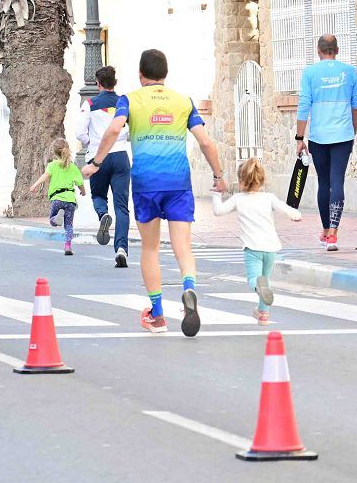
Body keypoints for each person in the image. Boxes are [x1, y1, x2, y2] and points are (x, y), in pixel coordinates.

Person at [83, 48, 227, 337]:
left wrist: (96, 163)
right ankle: (188, 289)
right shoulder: (183, 101)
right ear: (165, 74)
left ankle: (158, 315)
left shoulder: (130, 100)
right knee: (182, 246)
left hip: (147, 182)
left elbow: (113, 130)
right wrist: (219, 176)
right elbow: (206, 142)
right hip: (178, 182)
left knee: (150, 249)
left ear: (140, 74)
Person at [212, 158, 301, 326]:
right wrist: (296, 215)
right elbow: (286, 209)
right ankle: (263, 314)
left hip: (252, 249)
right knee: (265, 280)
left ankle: (259, 292)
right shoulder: (269, 198)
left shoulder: (238, 199)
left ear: (241, 181)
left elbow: (218, 211)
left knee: (255, 280)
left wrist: (216, 194)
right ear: (261, 180)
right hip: (270, 248)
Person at [296, 34, 357, 252]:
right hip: (343, 136)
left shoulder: (310, 73)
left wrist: (299, 138)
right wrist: (350, 131)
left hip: (318, 137)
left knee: (324, 182)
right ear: (337, 50)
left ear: (318, 50)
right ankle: (333, 233)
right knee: (337, 181)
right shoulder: (350, 72)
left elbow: (304, 106)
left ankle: (325, 231)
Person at [76, 65, 131, 268]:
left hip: (97, 157)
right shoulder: (123, 103)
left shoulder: (89, 103)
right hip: (120, 156)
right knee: (122, 206)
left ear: (98, 84)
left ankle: (102, 215)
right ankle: (121, 249)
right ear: (114, 83)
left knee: (98, 195)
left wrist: (91, 142)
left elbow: (79, 132)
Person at [31, 139, 86, 256]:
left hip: (57, 199)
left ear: (54, 152)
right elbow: (80, 183)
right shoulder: (73, 167)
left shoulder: (52, 165)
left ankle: (56, 218)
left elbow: (45, 176)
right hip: (70, 200)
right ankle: (67, 246)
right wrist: (83, 192)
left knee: (52, 220)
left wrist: (35, 185)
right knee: (69, 225)